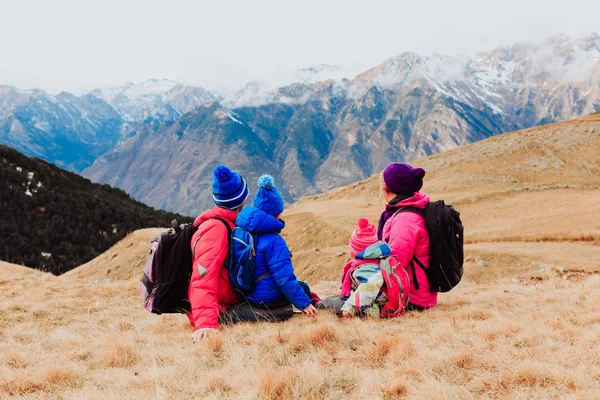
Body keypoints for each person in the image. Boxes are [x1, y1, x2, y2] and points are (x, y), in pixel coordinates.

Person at [235, 175, 319, 316]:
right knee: (303, 287)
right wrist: (304, 304)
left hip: (246, 294)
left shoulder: (240, 231)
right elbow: (284, 278)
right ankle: (317, 305)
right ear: (277, 215)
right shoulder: (274, 241)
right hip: (267, 300)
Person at [188, 165, 249, 343]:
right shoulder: (216, 229)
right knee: (280, 310)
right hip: (220, 309)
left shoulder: (229, 224)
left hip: (228, 300)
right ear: (241, 201)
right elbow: (202, 276)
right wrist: (206, 324)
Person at [377, 162, 436, 310]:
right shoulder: (416, 207)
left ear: (387, 190)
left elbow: (394, 264)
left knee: (340, 304)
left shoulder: (405, 219)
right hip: (419, 292)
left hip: (411, 297)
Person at [339, 218, 386, 318]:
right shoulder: (371, 263)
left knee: (326, 304)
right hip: (368, 303)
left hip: (362, 305)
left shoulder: (369, 269)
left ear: (356, 252)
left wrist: (349, 306)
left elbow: (368, 289)